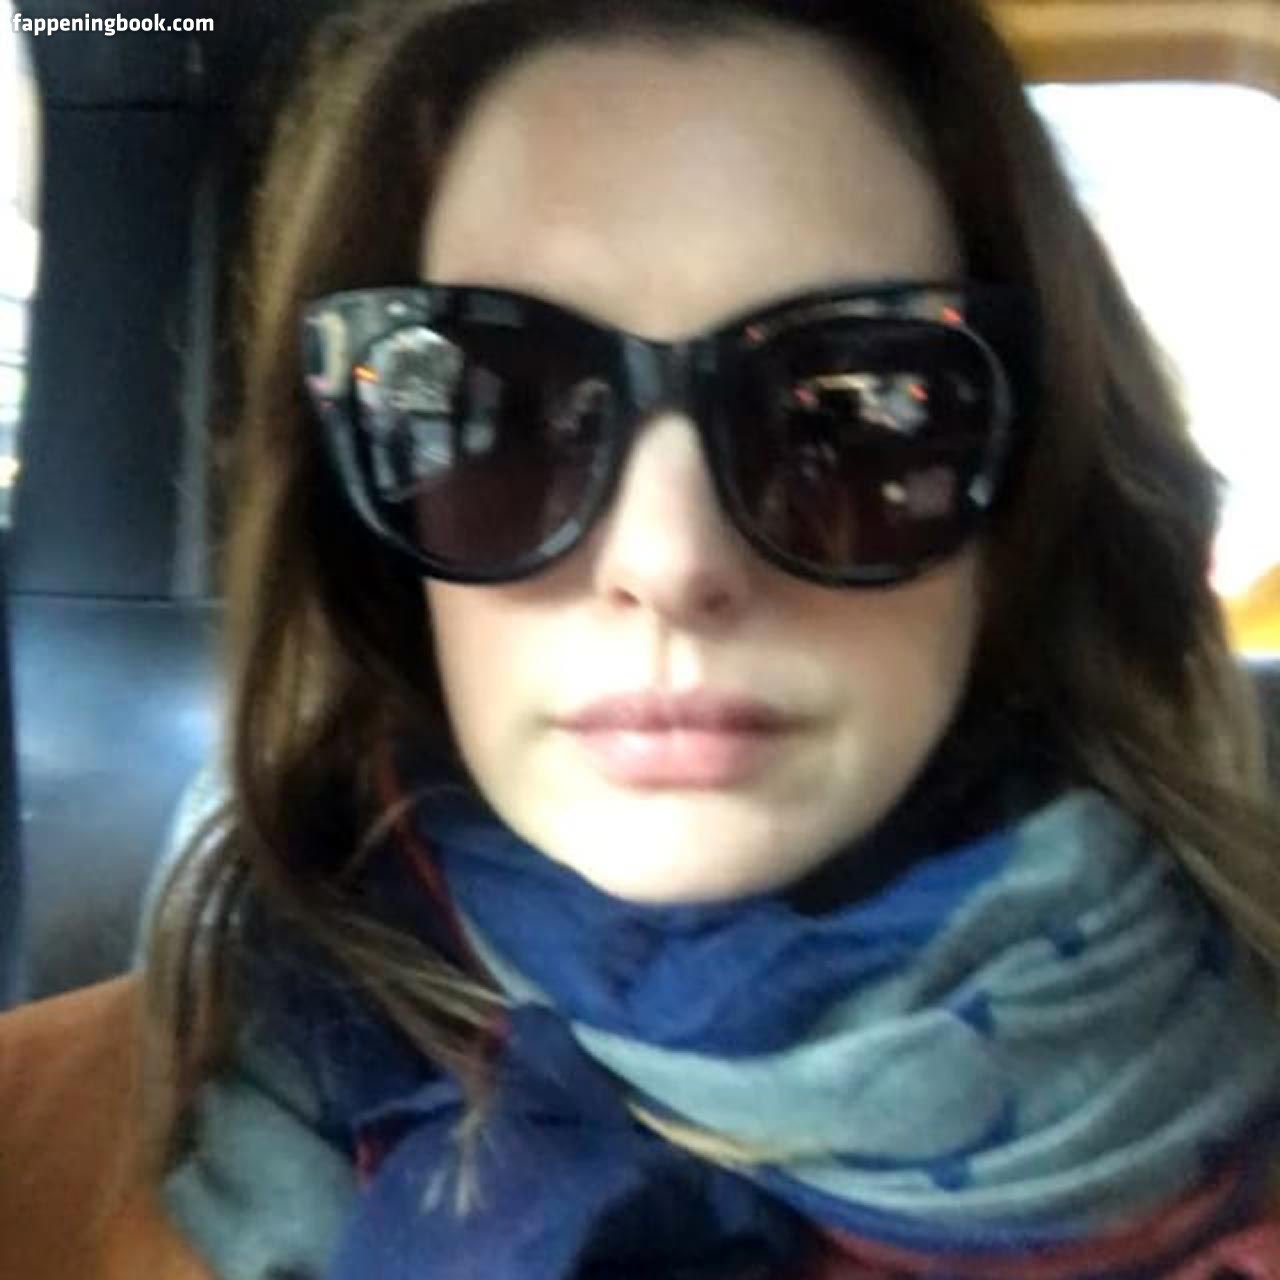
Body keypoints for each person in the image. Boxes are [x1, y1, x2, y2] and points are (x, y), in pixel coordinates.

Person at [3, 0, 1280, 1277]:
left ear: (1027, 489)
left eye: (849, 419)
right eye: (498, 416)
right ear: (368, 518)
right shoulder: (54, 1151)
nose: (669, 561)